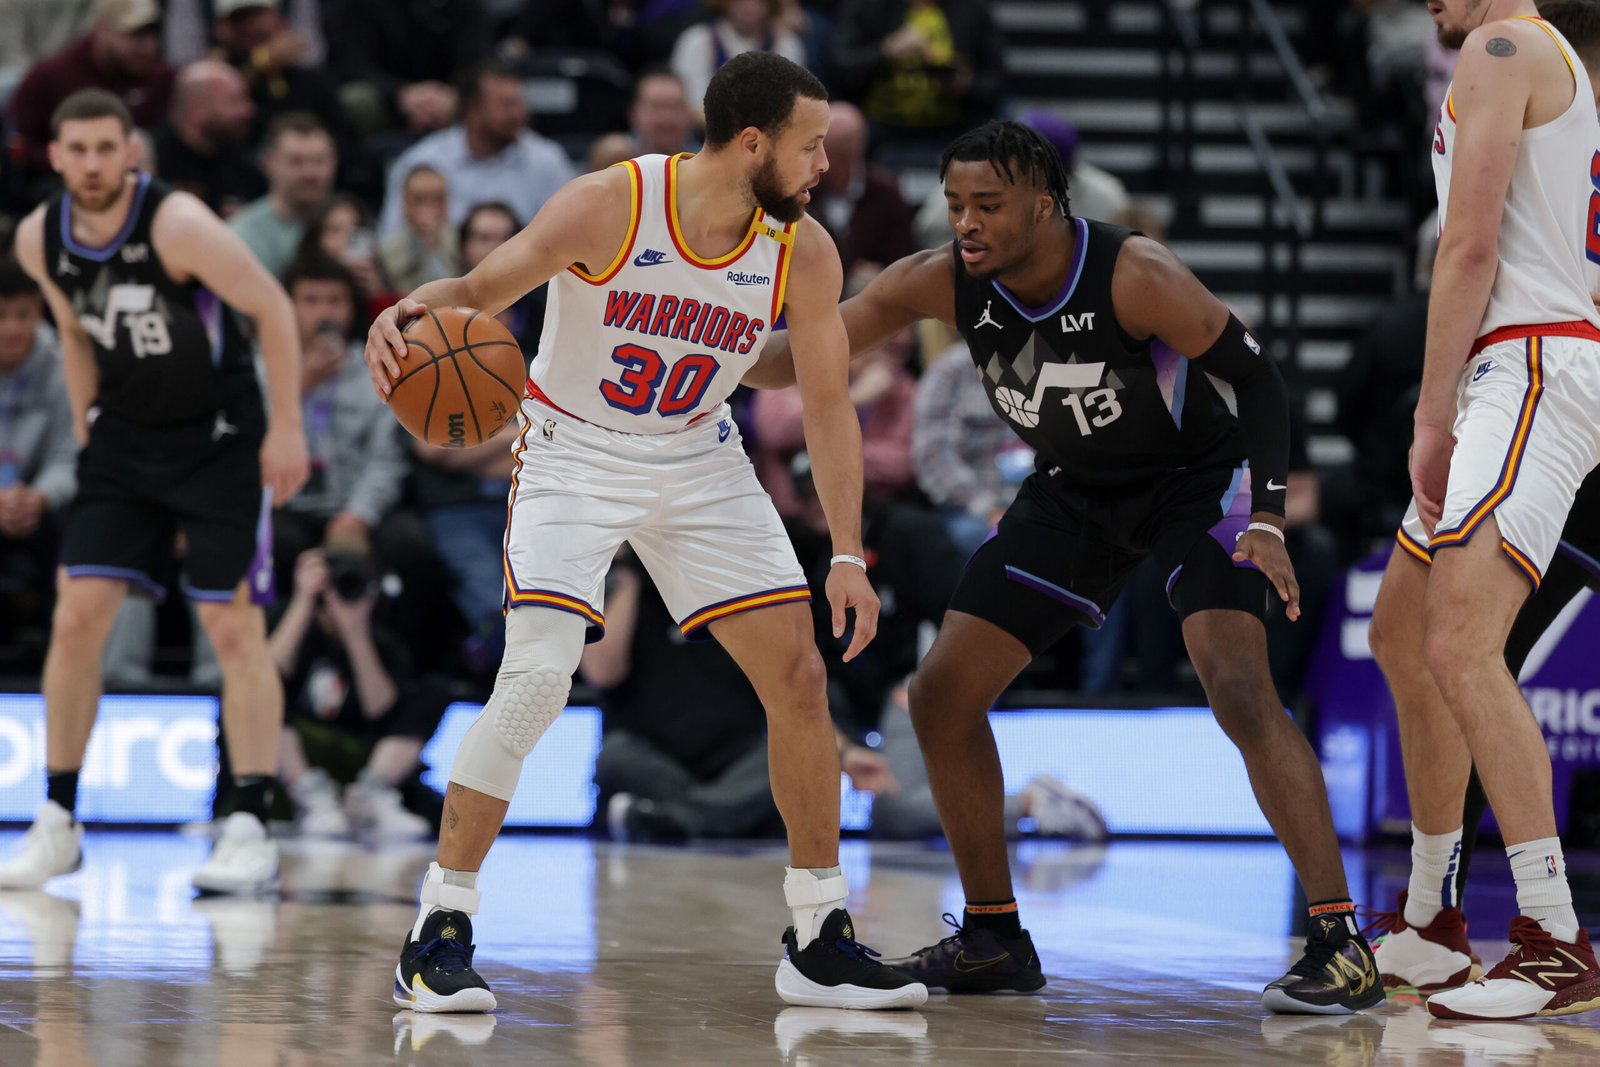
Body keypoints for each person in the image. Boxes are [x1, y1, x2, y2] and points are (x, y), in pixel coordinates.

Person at [743, 119, 1383, 1013]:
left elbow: (1260, 379)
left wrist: (1270, 517)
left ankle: (1340, 940)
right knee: (940, 696)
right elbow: (805, 352)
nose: (965, 223)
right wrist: (695, 347)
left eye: (988, 206)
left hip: (1199, 480)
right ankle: (996, 935)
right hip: (1076, 490)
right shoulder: (940, 279)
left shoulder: (1135, 273)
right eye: (956, 204)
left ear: (1045, 204)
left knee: (1237, 688)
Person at [363, 51, 924, 1013]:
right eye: (810, 146)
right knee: (539, 675)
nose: (825, 164)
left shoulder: (805, 249)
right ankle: (439, 928)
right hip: (572, 453)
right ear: (753, 143)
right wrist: (409, 314)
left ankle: (818, 935)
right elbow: (485, 287)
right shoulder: (610, 204)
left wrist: (843, 552)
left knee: (799, 676)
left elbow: (827, 405)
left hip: (699, 457)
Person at [0, 89, 309, 894]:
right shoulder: (40, 238)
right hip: (125, 443)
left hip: (220, 443)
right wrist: (82, 423)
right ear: (57, 155)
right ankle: (59, 819)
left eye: (109, 147)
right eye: (79, 149)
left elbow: (271, 308)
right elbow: (72, 328)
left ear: (132, 151)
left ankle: (247, 821)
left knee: (233, 629)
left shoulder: (177, 225)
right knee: (74, 619)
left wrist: (286, 429)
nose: (94, 163)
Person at [1366, 0, 1600, 1020]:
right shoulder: (1538, 55)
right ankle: (1429, 922)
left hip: (1531, 363)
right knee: (1399, 636)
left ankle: (1553, 936)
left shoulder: (1499, 44)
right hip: (1514, 365)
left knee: (1461, 645)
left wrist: (1429, 411)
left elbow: (1465, 248)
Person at [271, 547, 446, 841]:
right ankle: (309, 797)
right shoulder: (290, 621)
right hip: (297, 746)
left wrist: (355, 631)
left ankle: (371, 795)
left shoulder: (382, 639)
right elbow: (267, 674)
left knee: (435, 692)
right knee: (261, 695)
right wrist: (304, 602)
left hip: (363, 750)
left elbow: (381, 709)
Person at [375, 60, 576, 243]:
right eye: (506, 105)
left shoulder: (547, 161)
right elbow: (391, 240)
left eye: (519, 103)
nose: (518, 114)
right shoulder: (420, 162)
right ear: (472, 110)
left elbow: (569, 235)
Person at [0, 258, 76, 670]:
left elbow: (70, 454)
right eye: (1, 316)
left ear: (39, 311)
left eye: (22, 315)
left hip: (40, 500)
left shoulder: (63, 362)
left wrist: (39, 496)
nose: (12, 327)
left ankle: (61, 655)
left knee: (79, 526)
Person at [5, 0, 172, 185]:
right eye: (135, 35)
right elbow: (17, 145)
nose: (148, 46)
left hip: (139, 189)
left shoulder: (160, 77)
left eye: (153, 34)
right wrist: (74, 159)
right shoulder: (51, 76)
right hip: (60, 188)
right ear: (101, 30)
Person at [229, 112, 338, 279]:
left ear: (334, 163)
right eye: (296, 161)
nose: (310, 173)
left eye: (319, 160)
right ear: (268, 164)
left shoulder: (353, 224)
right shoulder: (242, 236)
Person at [151, 59, 264, 218]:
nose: (248, 110)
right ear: (197, 108)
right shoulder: (151, 158)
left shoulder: (244, 167)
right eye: (234, 100)